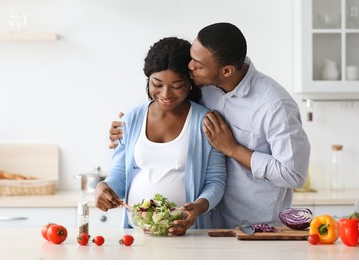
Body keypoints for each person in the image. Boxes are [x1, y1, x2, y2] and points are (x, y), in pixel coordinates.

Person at [109, 23, 311, 229]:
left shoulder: (275, 105)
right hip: (205, 224)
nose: (189, 67)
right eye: (191, 58)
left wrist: (233, 149)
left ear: (226, 71)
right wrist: (127, 130)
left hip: (253, 225)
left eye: (197, 64)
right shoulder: (203, 86)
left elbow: (293, 174)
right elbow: (165, 99)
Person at [95, 37, 227, 236]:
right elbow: (120, 173)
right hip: (136, 232)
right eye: (157, 84)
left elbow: (216, 181)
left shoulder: (205, 121)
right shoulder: (131, 119)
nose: (166, 94)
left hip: (186, 232)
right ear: (148, 80)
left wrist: (198, 207)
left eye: (176, 86)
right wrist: (104, 187)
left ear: (190, 83)